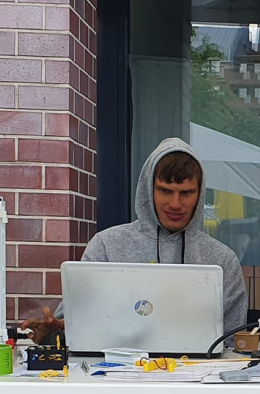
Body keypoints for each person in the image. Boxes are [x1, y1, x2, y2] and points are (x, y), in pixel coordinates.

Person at [21, 137, 248, 343]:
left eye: (186, 193)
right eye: (165, 191)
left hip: (197, 383)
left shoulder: (222, 259)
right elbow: (71, 327)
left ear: (200, 194)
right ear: (148, 190)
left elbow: (234, 343)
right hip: (114, 381)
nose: (176, 204)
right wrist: (51, 335)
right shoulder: (106, 246)